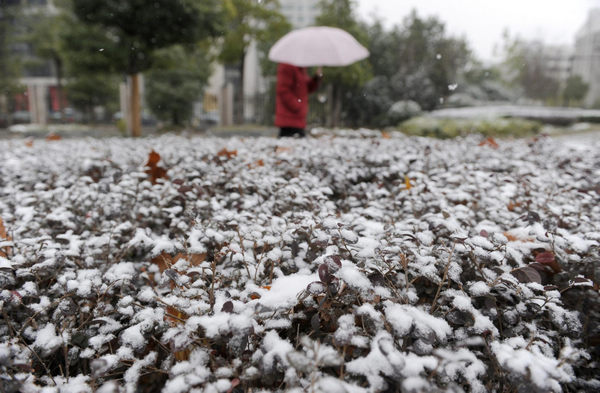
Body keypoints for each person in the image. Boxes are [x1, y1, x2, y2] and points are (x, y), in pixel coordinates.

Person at [275, 63, 323, 138]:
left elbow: (305, 87)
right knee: (288, 146)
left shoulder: (300, 68)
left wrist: (316, 78)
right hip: (289, 120)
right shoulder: (287, 65)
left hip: (298, 120)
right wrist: (298, 106)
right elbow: (283, 91)